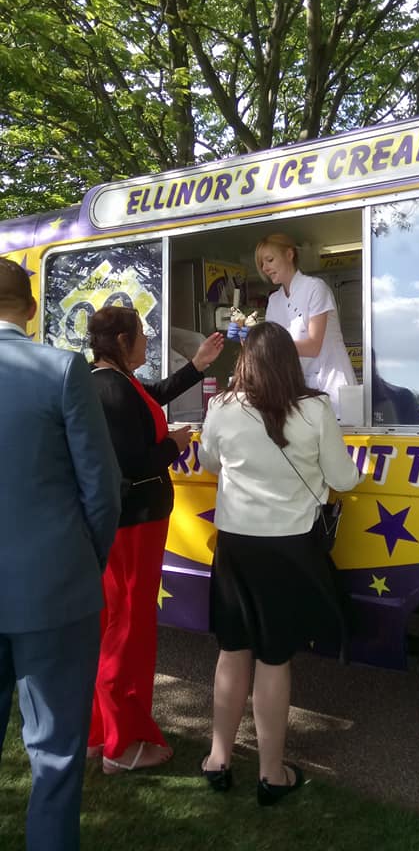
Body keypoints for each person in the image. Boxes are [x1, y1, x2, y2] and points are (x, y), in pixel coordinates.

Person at [199, 321, 359, 805]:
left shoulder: (221, 407)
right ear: (291, 360)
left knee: (232, 651)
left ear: (245, 361)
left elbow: (209, 462)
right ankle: (271, 773)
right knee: (273, 659)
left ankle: (218, 758)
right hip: (290, 551)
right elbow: (343, 480)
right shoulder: (315, 410)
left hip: (235, 549)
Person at [0, 259, 122, 851]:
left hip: (52, 583)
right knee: (54, 754)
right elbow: (101, 489)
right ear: (28, 308)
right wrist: (81, 563)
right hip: (55, 588)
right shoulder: (60, 368)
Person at [86, 306, 223, 774]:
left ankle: (98, 732)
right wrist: (176, 445)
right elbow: (136, 463)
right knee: (128, 628)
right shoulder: (111, 390)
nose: (148, 343)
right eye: (143, 336)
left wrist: (198, 365)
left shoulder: (110, 381)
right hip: (134, 524)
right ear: (123, 340)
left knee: (114, 624)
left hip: (125, 523)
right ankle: (122, 746)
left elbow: (157, 393)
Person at [255, 233, 356, 417]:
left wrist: (269, 345)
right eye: (262, 264)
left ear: (289, 254)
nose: (265, 268)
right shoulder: (274, 300)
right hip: (300, 391)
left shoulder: (315, 288)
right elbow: (269, 353)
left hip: (332, 384)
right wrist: (249, 340)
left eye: (269, 260)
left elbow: (313, 345)